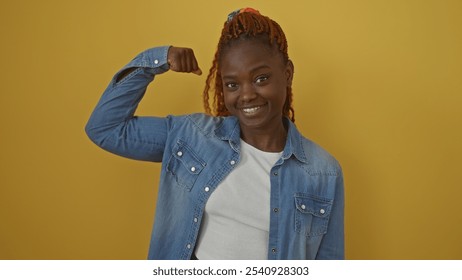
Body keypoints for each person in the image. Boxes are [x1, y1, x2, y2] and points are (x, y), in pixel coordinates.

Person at [85, 7, 344, 260]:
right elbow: (105, 128)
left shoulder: (324, 171)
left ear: (287, 74)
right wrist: (157, 60)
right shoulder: (193, 137)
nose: (246, 94)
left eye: (261, 78)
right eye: (232, 84)